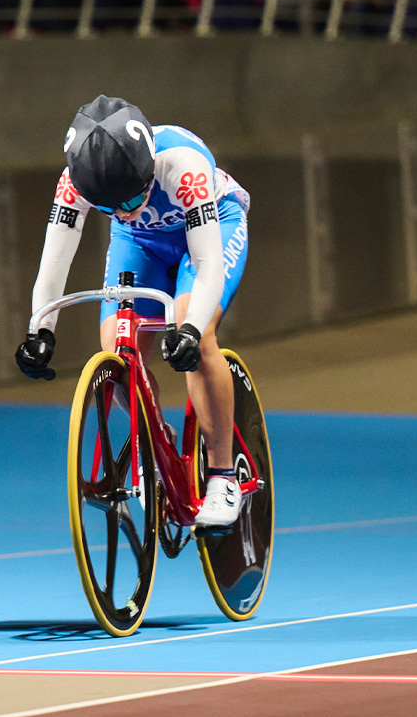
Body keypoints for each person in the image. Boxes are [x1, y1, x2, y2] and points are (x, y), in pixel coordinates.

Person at [14, 96, 252, 530]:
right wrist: (40, 329)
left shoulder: (183, 165)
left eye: (134, 196)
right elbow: (54, 264)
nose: (125, 210)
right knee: (116, 348)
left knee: (191, 328)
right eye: (112, 208)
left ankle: (221, 476)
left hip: (207, 231)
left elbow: (208, 267)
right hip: (139, 242)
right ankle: (153, 443)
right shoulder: (74, 183)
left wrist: (193, 330)